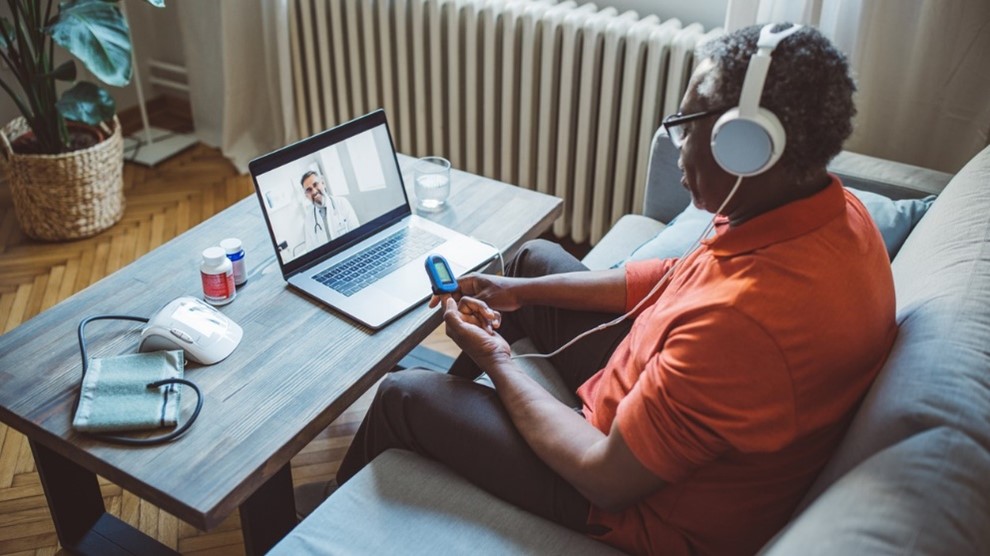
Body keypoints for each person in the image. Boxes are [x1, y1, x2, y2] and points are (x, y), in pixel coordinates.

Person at [300, 24, 897, 555]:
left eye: (688, 127)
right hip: (649, 399)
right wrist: (521, 292)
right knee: (533, 263)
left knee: (402, 395)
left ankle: (327, 519)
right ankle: (457, 424)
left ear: (748, 148)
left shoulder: (745, 325)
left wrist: (499, 361)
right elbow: (674, 278)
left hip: (634, 502)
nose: (674, 144)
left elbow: (604, 475)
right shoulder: (832, 210)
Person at [300, 170, 360, 249]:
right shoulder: (308, 221)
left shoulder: (342, 203)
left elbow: (357, 235)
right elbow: (311, 250)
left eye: (315, 184)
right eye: (309, 190)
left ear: (323, 183)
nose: (314, 191)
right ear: (306, 196)